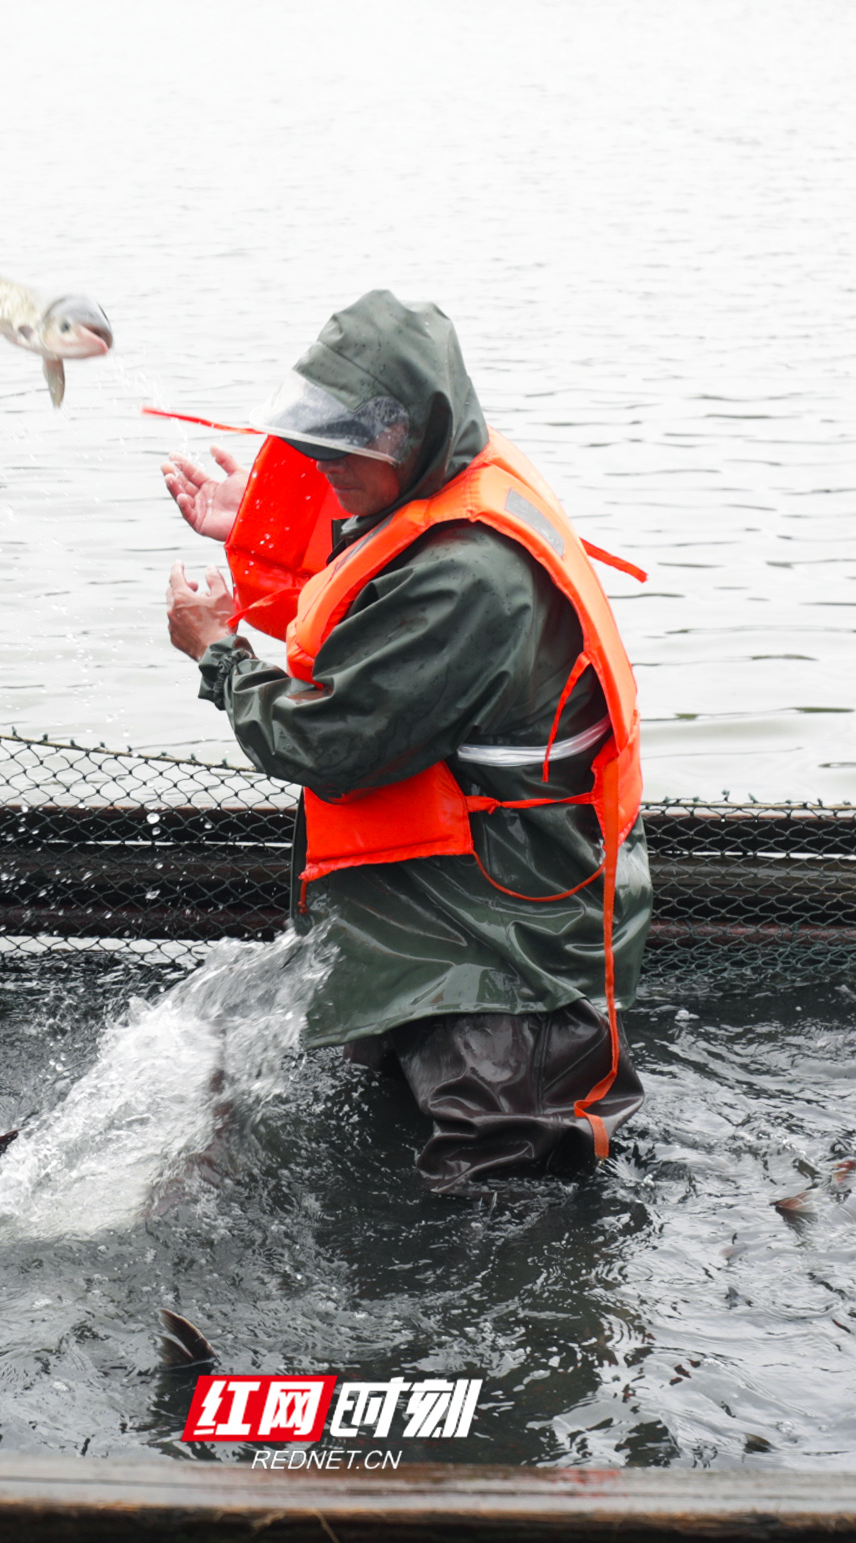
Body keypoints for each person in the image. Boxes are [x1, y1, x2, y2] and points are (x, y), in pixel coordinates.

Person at [163, 291, 652, 1193]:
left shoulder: (471, 576)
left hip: (512, 936)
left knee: (507, 1190)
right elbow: (378, 583)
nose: (320, 462)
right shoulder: (458, 482)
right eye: (313, 435)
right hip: (451, 889)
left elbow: (323, 741)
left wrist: (220, 656)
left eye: (345, 445)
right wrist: (255, 527)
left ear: (412, 432)